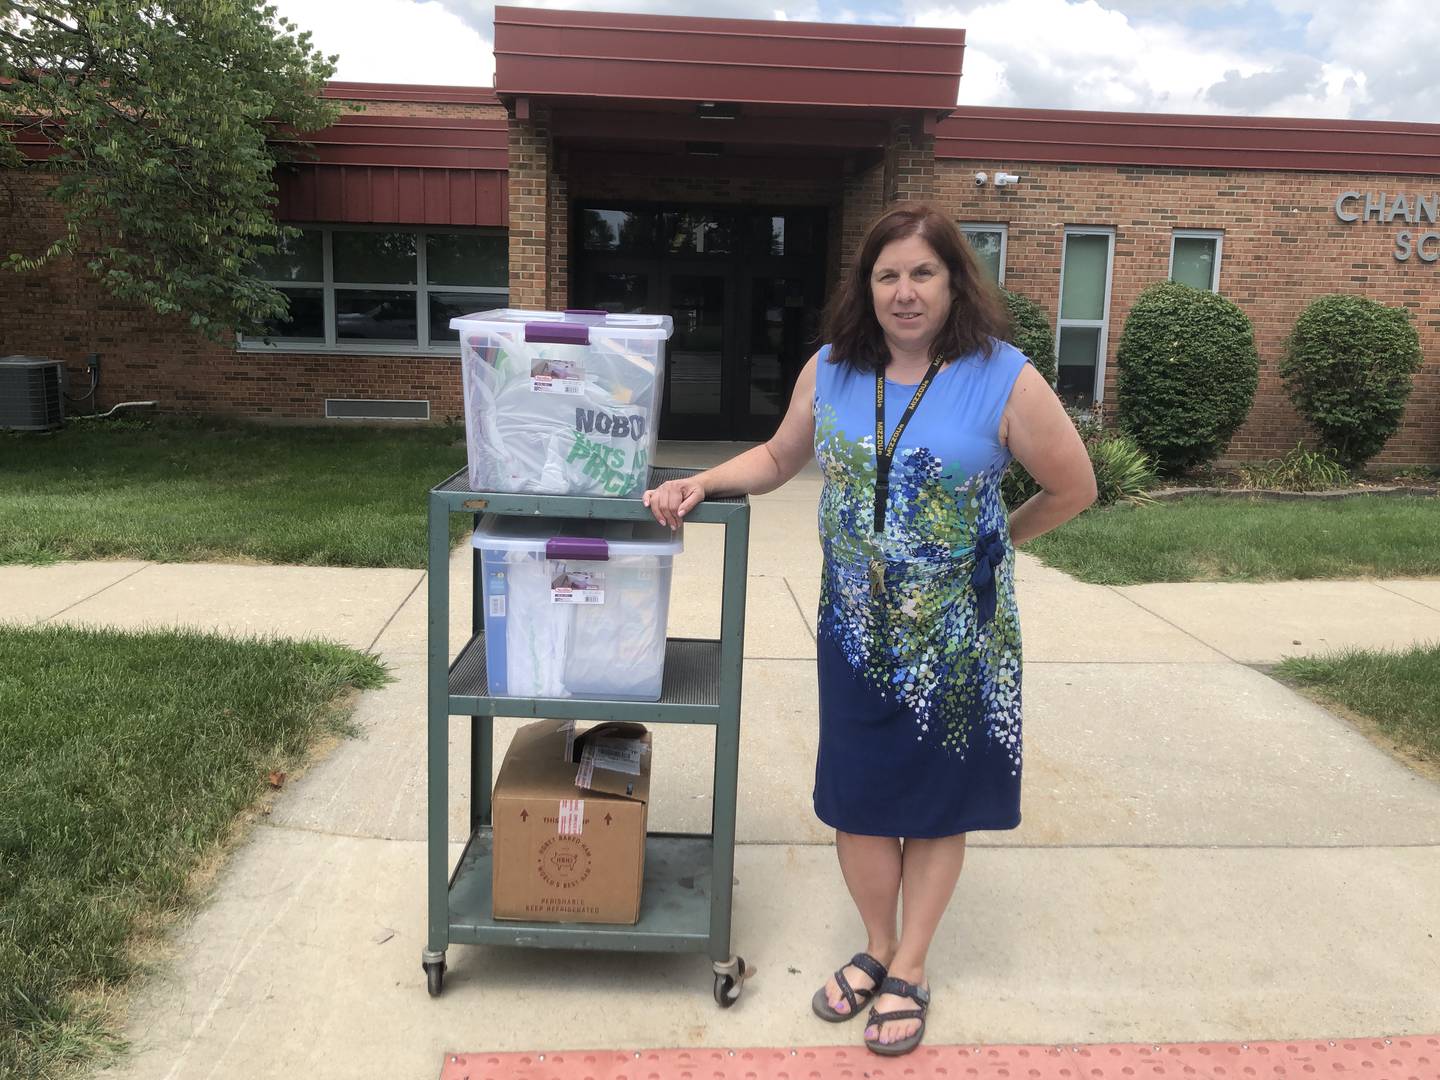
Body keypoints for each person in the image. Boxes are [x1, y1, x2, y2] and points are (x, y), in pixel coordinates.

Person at [643, 204, 1096, 1057]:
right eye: (887, 275)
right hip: (852, 629)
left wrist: (992, 548)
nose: (905, 291)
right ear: (867, 288)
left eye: (923, 272)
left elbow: (1073, 487)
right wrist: (703, 480)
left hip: (958, 639)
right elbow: (780, 458)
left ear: (955, 281)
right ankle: (876, 945)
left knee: (932, 807)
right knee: (856, 797)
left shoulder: (1003, 376)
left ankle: (913, 965)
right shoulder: (833, 369)